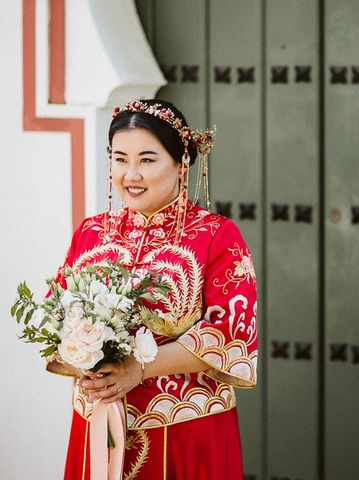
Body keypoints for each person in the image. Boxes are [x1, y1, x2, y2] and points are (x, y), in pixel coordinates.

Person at [45, 99, 258, 479]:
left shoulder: (217, 236)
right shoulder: (91, 233)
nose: (130, 174)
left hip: (184, 430)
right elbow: (54, 319)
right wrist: (83, 358)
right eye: (120, 158)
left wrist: (138, 368)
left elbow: (229, 333)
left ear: (181, 164)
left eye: (147, 159)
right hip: (97, 424)